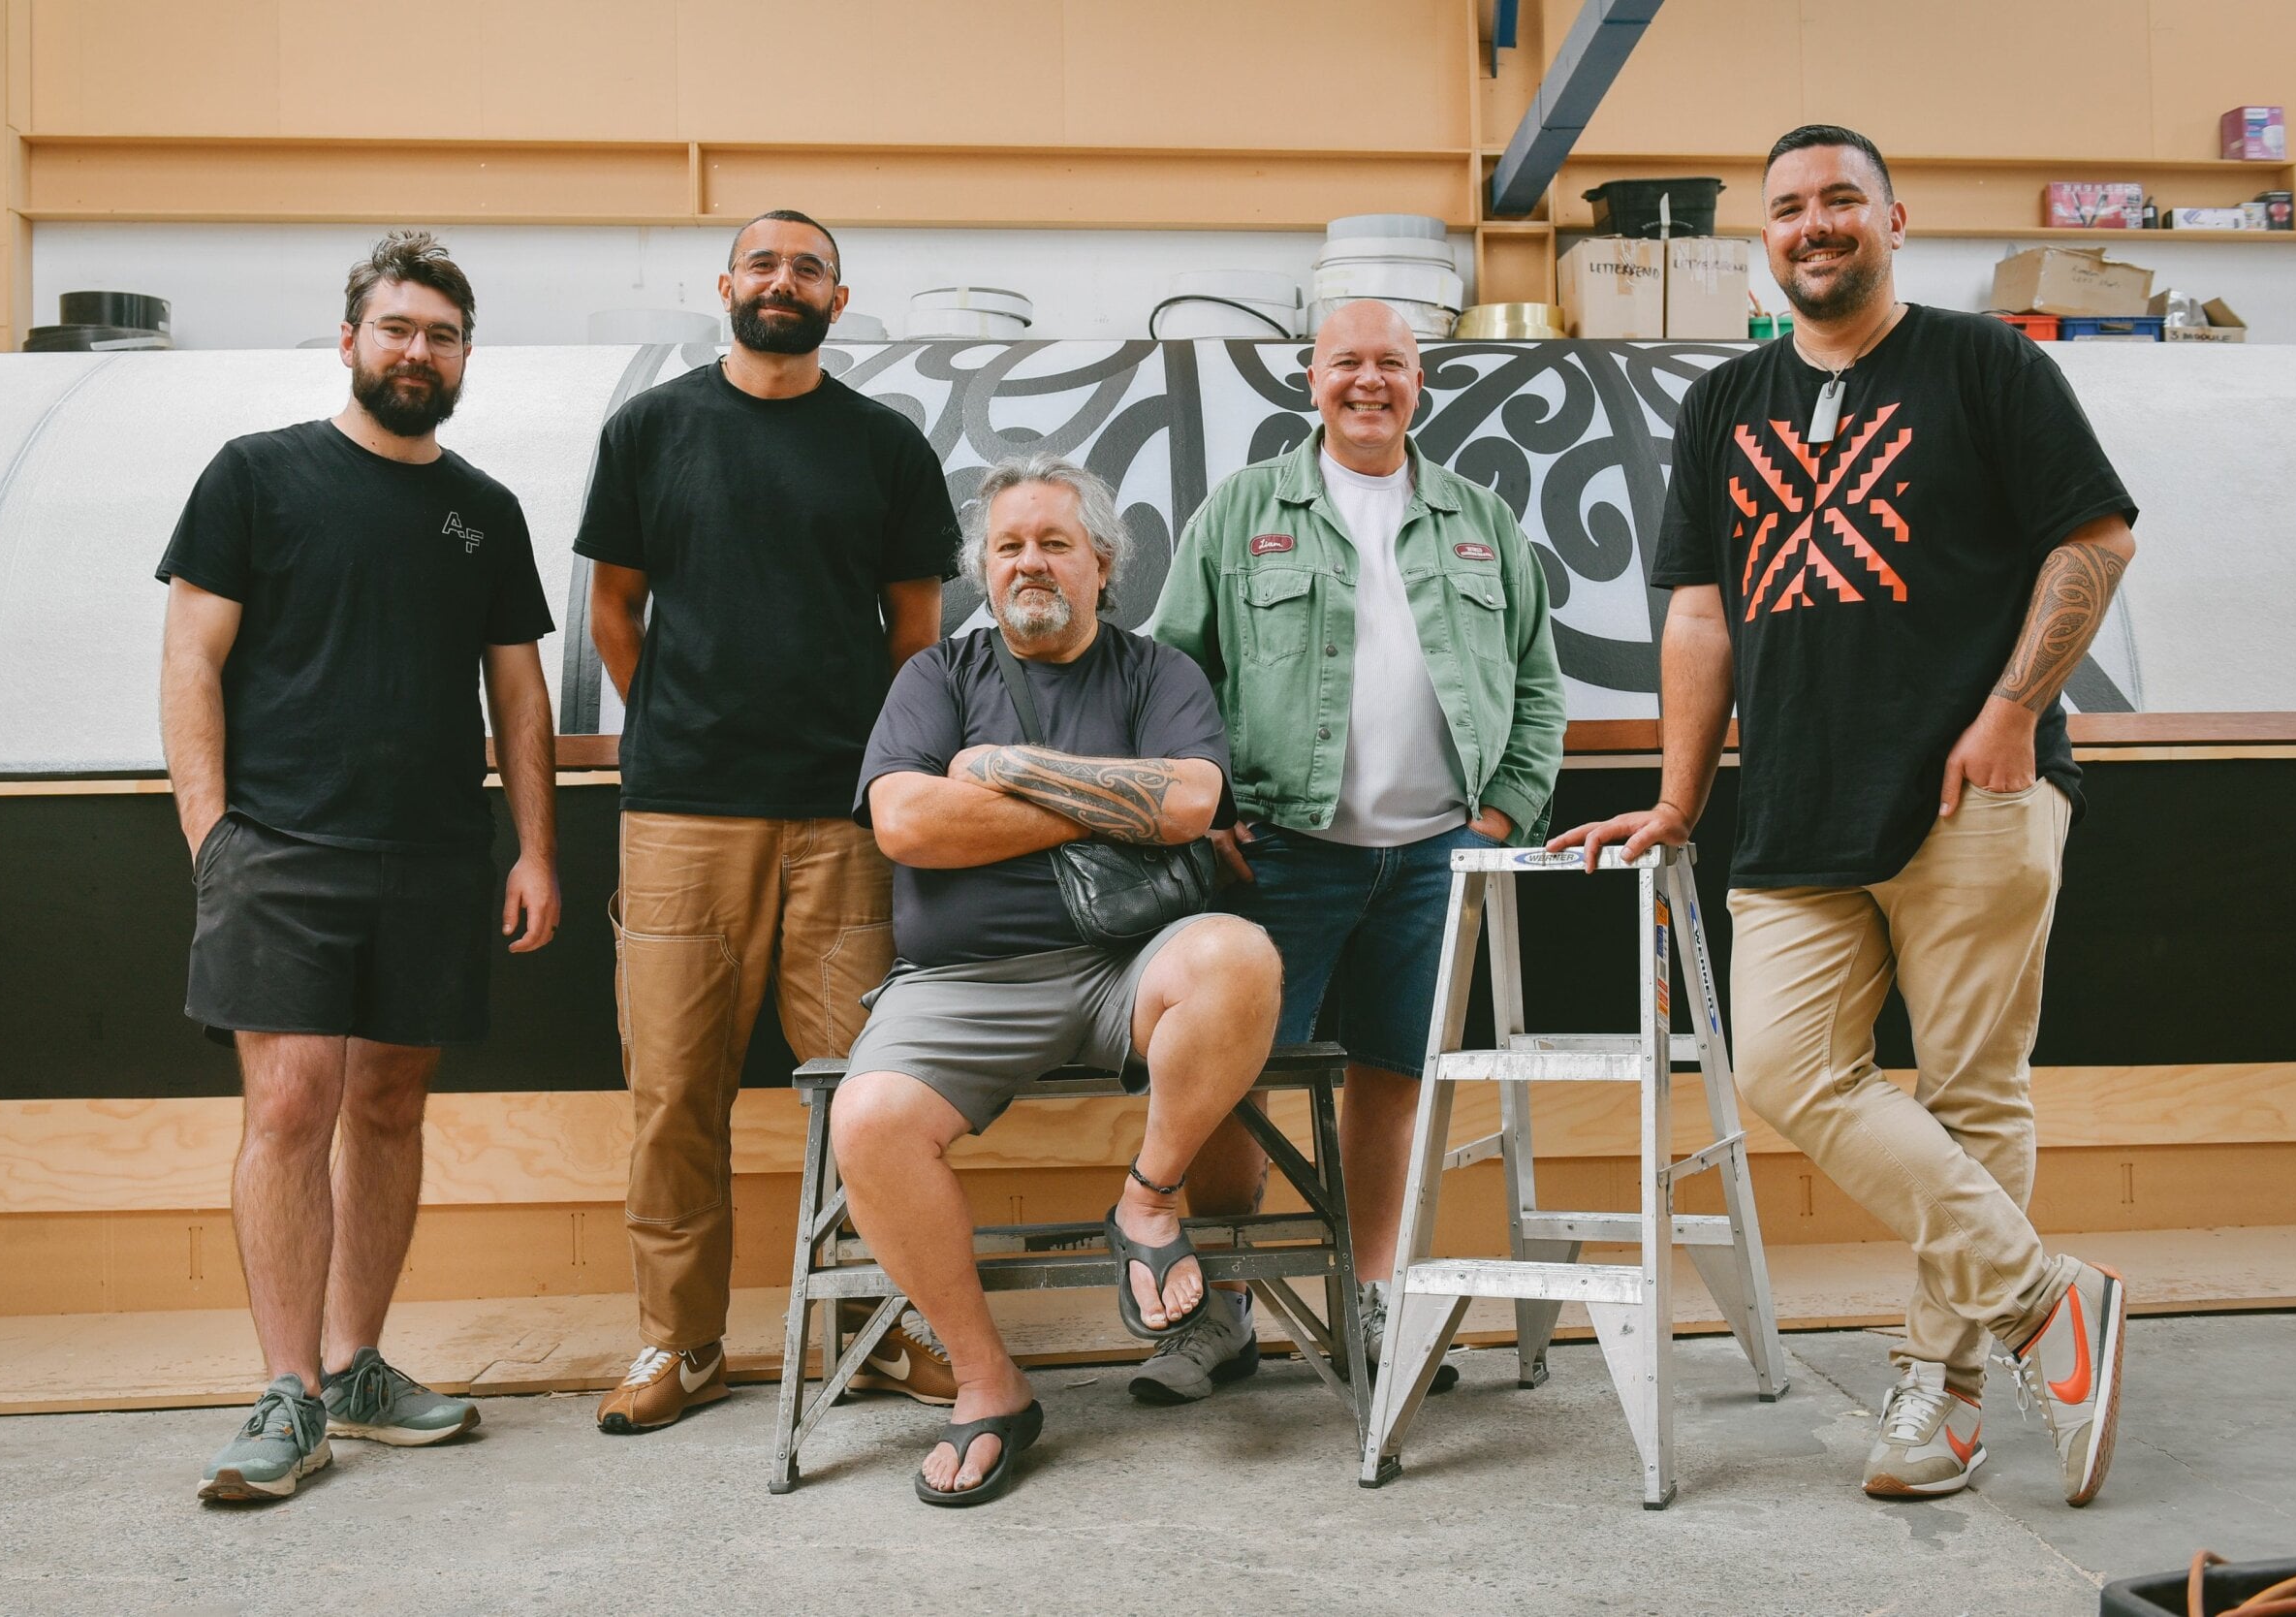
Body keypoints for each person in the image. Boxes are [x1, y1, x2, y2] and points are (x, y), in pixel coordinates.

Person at [1550, 125, 2137, 1507]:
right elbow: (1697, 612)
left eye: (1842, 202)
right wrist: (1679, 799)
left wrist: (2009, 715)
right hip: (1797, 805)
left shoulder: (1986, 365)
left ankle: (1941, 1394)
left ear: (1894, 219)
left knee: (1973, 1093)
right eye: (1792, 208)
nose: (1816, 225)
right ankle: (2049, 1301)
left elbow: (2095, 536)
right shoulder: (1723, 404)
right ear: (1765, 236)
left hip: (1972, 789)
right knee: (1783, 1073)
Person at [158, 230, 559, 1503]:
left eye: (440, 335)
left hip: (436, 854)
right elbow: (189, 663)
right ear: (350, 340)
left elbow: (519, 693)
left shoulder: (482, 513)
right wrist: (212, 834)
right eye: (396, 329)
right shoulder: (256, 478)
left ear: (464, 358)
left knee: (389, 1107)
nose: (416, 351)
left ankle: (360, 1363)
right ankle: (288, 1393)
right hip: (278, 849)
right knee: (288, 1108)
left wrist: (535, 848)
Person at [832, 455, 1283, 1505]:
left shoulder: (1157, 673)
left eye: (1054, 544)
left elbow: (1188, 805)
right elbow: (905, 823)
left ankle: (1148, 1201)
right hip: (961, 983)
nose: (1030, 563)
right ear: (982, 572)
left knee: (1238, 956)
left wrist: (996, 770)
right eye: (1008, 547)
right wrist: (1108, 799)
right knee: (870, 1122)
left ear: (1103, 563)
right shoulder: (935, 680)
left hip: (1130, 968)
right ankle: (989, 1385)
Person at [575, 210, 959, 1433]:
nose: (781, 282)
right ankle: (679, 1346)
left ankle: (880, 1329)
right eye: (762, 263)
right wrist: (688, 725)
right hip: (682, 816)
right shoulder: (650, 428)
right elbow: (614, 612)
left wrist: (875, 761)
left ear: (838, 301)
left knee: (870, 1091)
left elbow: (917, 628)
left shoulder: (884, 444)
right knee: (673, 1093)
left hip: (843, 821)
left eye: (807, 268)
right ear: (725, 287)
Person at [1148, 299, 1567, 1403]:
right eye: (1347, 362)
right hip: (1279, 855)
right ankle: (1223, 1312)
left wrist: (1499, 819)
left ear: (1419, 381)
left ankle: (1369, 1299)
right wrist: (1212, 813)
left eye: (1391, 363)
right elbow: (1173, 675)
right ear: (1310, 378)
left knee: (1391, 1080)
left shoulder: (1480, 519)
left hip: (1436, 858)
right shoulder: (1241, 511)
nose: (1368, 381)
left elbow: (1536, 682)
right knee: (1226, 1082)